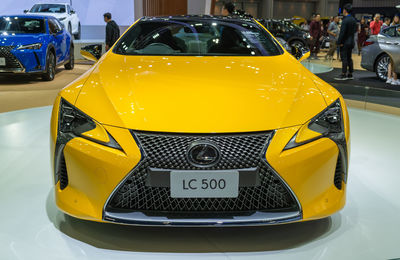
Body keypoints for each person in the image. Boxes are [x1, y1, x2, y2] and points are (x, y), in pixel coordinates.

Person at [334, 4, 357, 80]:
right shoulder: (353, 20)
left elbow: (342, 33)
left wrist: (339, 42)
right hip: (351, 42)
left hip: (344, 42)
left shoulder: (345, 20)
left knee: (344, 58)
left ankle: (343, 74)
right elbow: (355, 31)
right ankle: (350, 74)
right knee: (349, 58)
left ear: (345, 10)